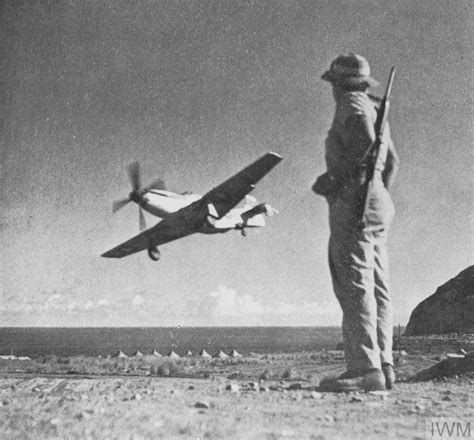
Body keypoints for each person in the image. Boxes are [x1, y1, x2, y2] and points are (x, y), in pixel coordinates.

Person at [313, 53, 400, 392]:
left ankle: (365, 368)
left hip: (356, 201)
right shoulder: (377, 108)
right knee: (378, 284)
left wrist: (342, 185)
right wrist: (374, 190)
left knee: (355, 285)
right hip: (378, 199)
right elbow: (392, 162)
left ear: (338, 84)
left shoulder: (351, 103)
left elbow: (362, 141)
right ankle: (384, 364)